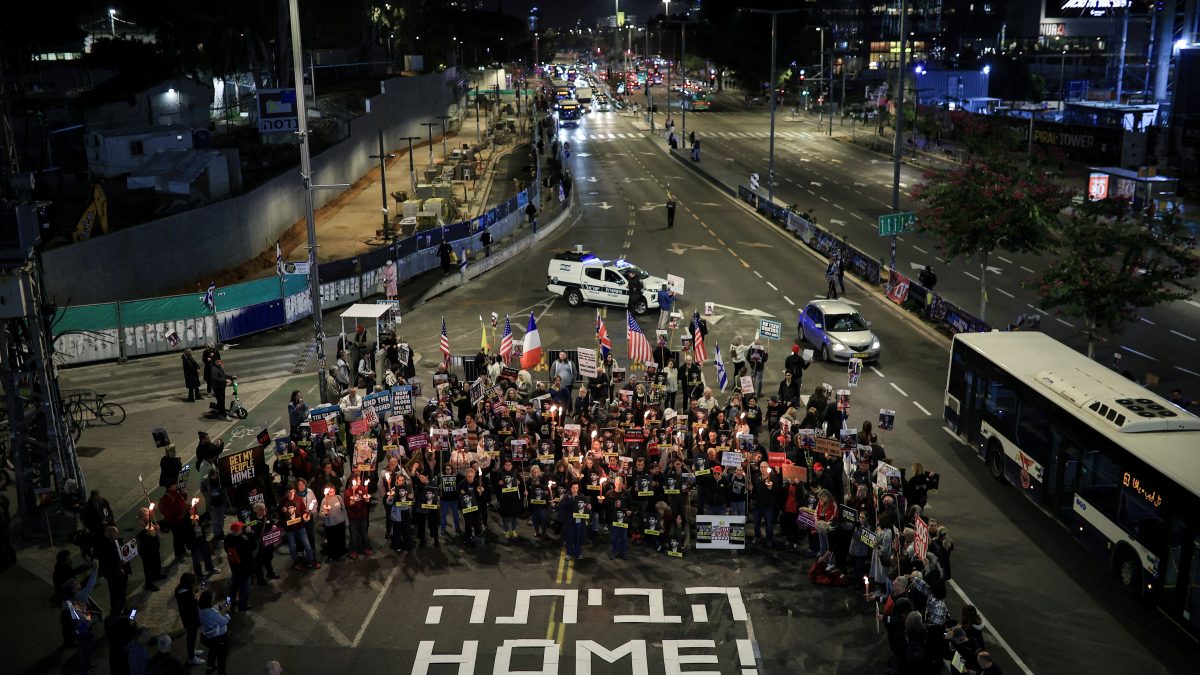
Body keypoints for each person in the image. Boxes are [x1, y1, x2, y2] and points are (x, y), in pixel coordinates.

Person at [174, 573, 206, 666]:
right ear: (189, 583)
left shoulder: (181, 589)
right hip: (190, 619)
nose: (195, 584)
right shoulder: (186, 595)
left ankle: (192, 651)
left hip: (188, 617)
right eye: (193, 582)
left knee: (192, 636)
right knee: (191, 637)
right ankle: (191, 658)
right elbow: (194, 605)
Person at [222, 521, 253, 612]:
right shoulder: (242, 540)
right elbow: (251, 547)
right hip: (244, 568)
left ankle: (230, 602)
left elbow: (226, 549)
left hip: (234, 566)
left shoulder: (227, 538)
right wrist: (249, 534)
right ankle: (242, 605)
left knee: (234, 585)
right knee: (244, 587)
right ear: (238, 530)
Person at [197, 591, 230, 675]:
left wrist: (219, 606)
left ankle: (210, 666)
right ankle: (221, 672)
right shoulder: (210, 612)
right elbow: (224, 621)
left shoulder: (200, 608)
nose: (214, 599)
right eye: (212, 598)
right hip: (219, 637)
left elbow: (213, 611)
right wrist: (226, 611)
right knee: (221, 656)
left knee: (212, 650)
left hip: (208, 636)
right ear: (208, 600)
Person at [135, 506, 164, 591]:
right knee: (148, 567)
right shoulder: (138, 525)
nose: (148, 517)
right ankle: (149, 583)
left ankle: (157, 575)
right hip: (146, 550)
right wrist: (148, 531)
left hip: (153, 547)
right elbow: (143, 537)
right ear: (142, 516)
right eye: (147, 515)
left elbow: (153, 530)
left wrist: (155, 527)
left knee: (156, 561)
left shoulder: (147, 521)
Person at [346, 477, 372, 559]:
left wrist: (367, 501)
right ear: (354, 481)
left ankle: (366, 548)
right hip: (353, 517)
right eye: (359, 479)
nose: (360, 480)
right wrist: (350, 503)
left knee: (364, 533)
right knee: (353, 535)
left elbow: (366, 501)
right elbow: (347, 504)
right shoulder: (348, 492)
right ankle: (353, 551)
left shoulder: (363, 489)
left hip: (362, 515)